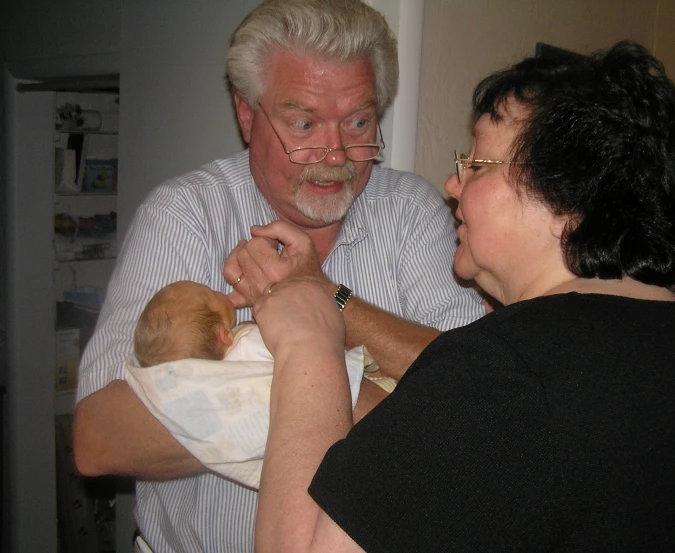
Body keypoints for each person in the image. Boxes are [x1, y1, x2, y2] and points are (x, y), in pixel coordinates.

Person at [250, 41, 675, 552]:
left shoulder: (506, 371)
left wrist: (308, 340)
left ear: (566, 199)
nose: (452, 183)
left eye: (477, 164)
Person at [72, 0, 483, 551]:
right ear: (247, 115)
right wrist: (329, 385)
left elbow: (478, 404)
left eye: (359, 121)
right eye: (304, 123)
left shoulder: (413, 213)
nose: (336, 153)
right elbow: (100, 439)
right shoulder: (186, 214)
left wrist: (323, 300)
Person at [127, 280, 367, 490]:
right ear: (223, 334)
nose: (217, 290)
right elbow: (309, 345)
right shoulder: (250, 343)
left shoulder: (205, 394)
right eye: (211, 293)